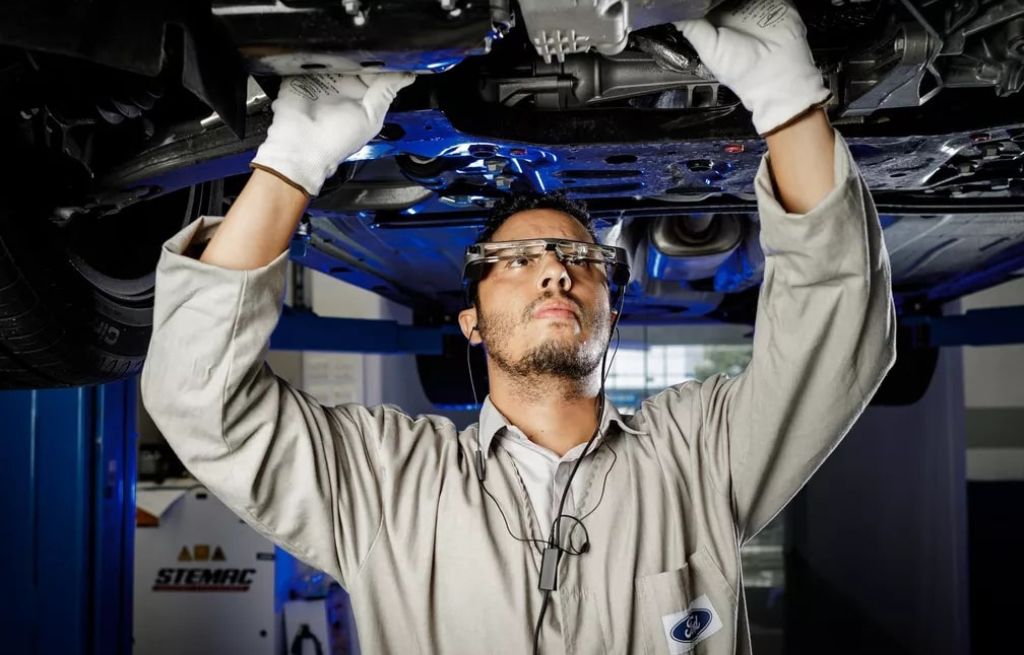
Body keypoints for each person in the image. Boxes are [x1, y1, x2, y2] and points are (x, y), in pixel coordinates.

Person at [141, 1, 896, 653]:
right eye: (517, 260)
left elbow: (836, 336)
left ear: (610, 310)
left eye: (579, 258)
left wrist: (785, 97)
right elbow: (198, 398)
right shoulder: (388, 485)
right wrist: (295, 155)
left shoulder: (698, 459)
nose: (555, 272)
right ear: (470, 322)